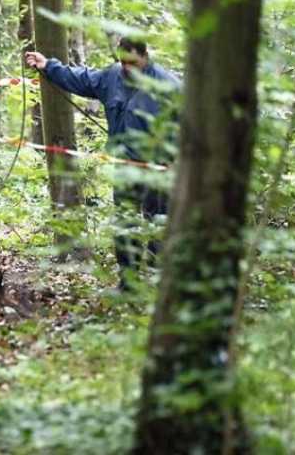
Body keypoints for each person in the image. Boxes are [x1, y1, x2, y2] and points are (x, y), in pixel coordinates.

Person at [26, 37, 181, 292]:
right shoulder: (112, 77)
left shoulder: (169, 86)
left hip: (158, 170)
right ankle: (129, 284)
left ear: (145, 56)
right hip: (124, 167)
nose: (127, 68)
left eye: (132, 62)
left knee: (157, 226)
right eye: (123, 62)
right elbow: (82, 78)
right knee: (125, 224)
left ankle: (158, 285)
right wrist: (48, 66)